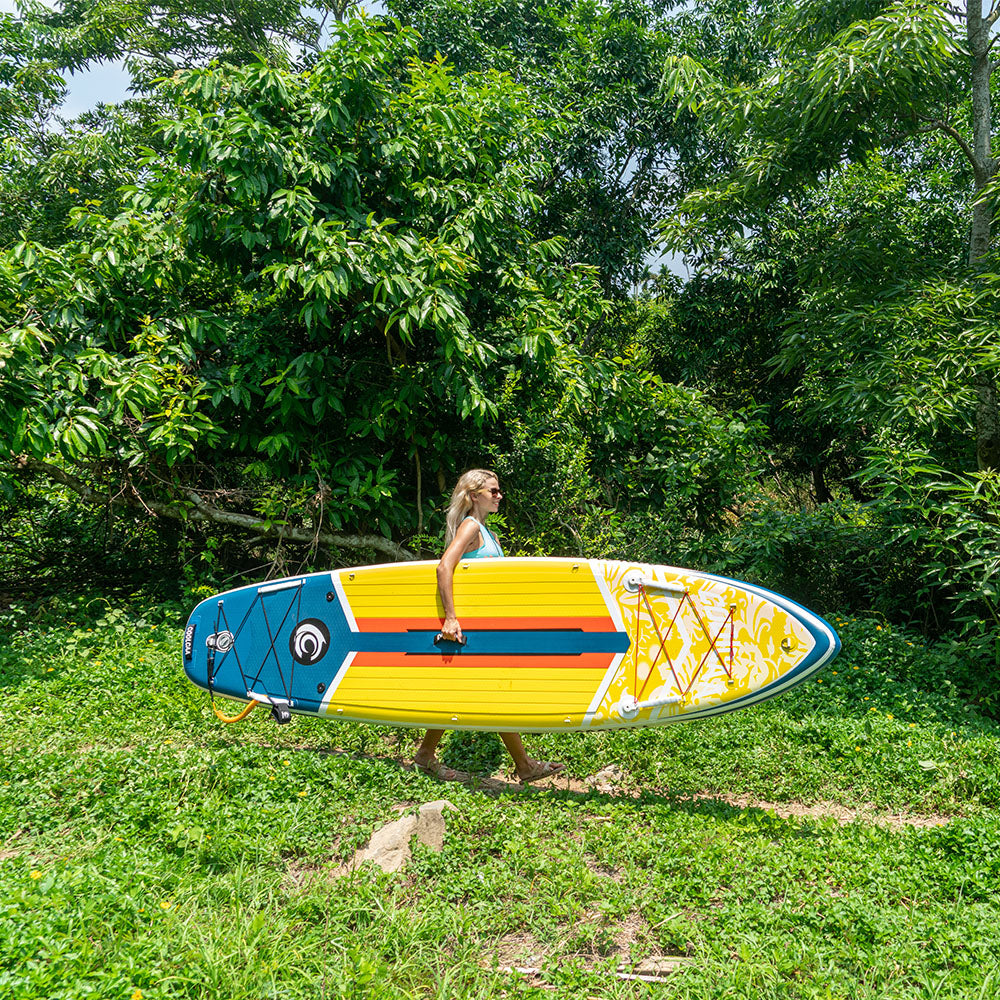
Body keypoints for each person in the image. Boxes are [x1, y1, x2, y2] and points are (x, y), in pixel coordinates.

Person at [413, 468, 564, 784]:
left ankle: (429, 756)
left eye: (498, 491)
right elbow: (444, 567)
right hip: (469, 627)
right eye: (492, 491)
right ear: (473, 496)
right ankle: (521, 765)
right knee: (490, 691)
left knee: (479, 692)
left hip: (489, 626)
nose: (499, 495)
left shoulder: (488, 533)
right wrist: (451, 618)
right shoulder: (470, 527)